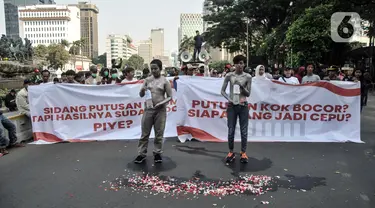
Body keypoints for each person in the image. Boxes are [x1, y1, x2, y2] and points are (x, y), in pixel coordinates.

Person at [134, 59, 173, 164]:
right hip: (148, 109)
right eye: (152, 69)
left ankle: (157, 153)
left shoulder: (165, 81)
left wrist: (161, 103)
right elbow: (141, 95)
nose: (154, 71)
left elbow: (170, 97)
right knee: (144, 133)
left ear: (160, 68)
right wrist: (142, 90)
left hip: (160, 110)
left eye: (156, 68)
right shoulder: (147, 80)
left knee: (159, 133)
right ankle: (141, 154)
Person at [221, 55, 252, 164]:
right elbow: (222, 91)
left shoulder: (248, 77)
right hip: (232, 106)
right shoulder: (229, 76)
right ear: (234, 65)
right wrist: (229, 99)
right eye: (238, 63)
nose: (240, 65)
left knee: (244, 131)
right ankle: (231, 152)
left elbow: (248, 93)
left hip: (243, 105)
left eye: (242, 63)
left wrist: (242, 87)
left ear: (244, 64)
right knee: (231, 130)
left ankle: (243, 152)